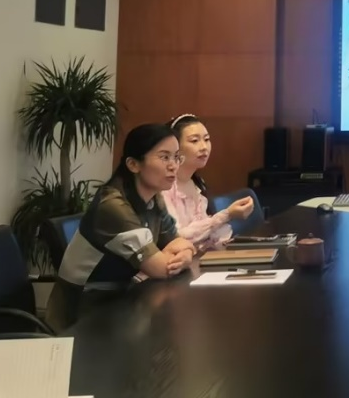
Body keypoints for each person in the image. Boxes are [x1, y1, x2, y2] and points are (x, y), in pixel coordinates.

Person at [47, 123, 198, 331]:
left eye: (176, 157)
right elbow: (160, 268)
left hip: (122, 299)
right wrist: (177, 254)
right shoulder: (112, 206)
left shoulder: (154, 198)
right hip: (84, 312)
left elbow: (177, 241)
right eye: (164, 157)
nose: (173, 166)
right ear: (133, 164)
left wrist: (187, 252)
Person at [163, 113, 254, 252]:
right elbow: (177, 238)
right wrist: (227, 215)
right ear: (174, 146)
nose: (204, 147)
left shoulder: (197, 183)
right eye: (194, 141)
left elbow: (208, 236)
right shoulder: (165, 187)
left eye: (206, 139)